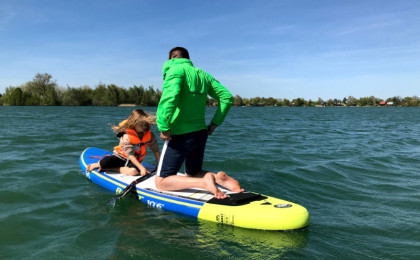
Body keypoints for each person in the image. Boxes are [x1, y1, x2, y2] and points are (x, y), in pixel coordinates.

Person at [155, 47, 243, 199]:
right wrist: (215, 123)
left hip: (179, 134)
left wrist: (164, 126)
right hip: (200, 133)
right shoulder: (203, 75)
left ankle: (204, 183)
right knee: (192, 172)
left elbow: (170, 97)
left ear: (172, 58)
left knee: (161, 181)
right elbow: (227, 97)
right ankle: (217, 178)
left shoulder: (175, 70)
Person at [86, 109, 160, 176]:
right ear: (134, 123)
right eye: (141, 124)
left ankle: (112, 168)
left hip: (134, 161)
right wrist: (141, 168)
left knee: (133, 172)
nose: (144, 127)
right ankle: (100, 165)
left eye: (145, 124)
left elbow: (156, 150)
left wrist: (159, 165)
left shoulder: (149, 135)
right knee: (104, 163)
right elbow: (130, 155)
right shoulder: (126, 136)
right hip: (120, 157)